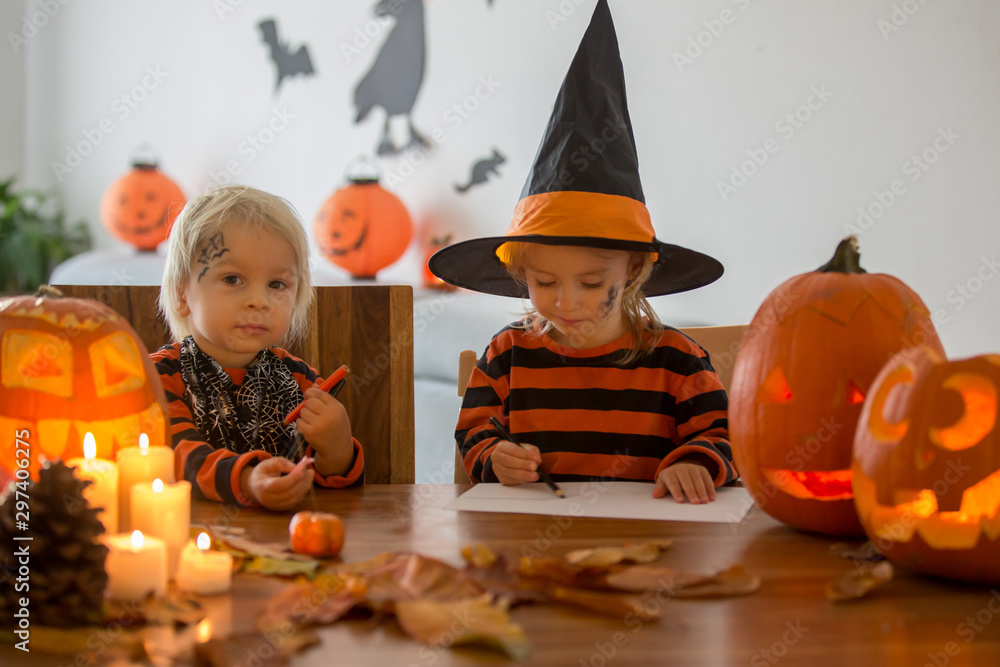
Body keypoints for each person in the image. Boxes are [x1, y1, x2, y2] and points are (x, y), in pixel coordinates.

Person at [428, 0, 734, 504]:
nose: (566, 302)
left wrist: (696, 462)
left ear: (634, 269)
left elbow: (723, 439)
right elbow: (474, 437)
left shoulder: (677, 361)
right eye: (544, 283)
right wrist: (494, 456)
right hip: (535, 554)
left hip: (649, 553)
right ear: (521, 274)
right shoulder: (509, 356)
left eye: (591, 283)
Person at [152, 184, 363, 510]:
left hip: (286, 547)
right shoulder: (157, 377)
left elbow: (330, 487)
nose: (259, 301)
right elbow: (176, 457)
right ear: (183, 295)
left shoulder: (301, 380)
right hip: (188, 544)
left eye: (277, 285)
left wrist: (336, 449)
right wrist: (248, 480)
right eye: (233, 279)